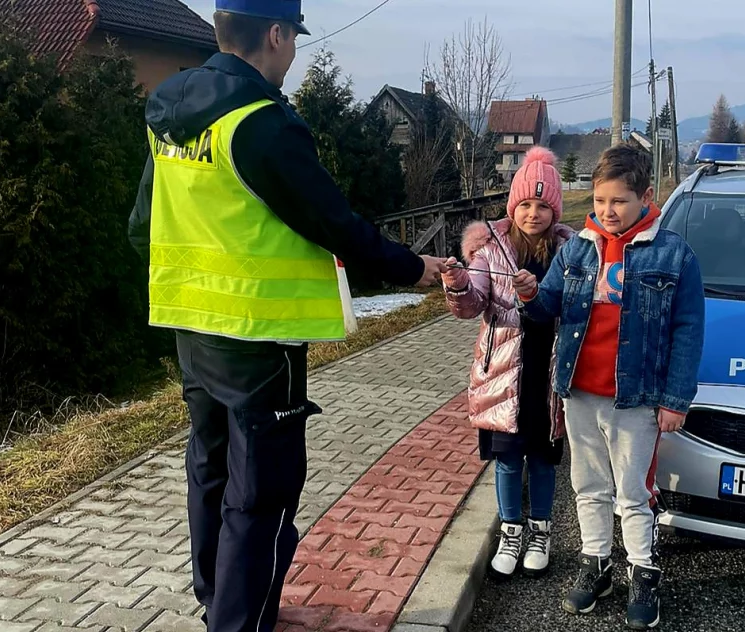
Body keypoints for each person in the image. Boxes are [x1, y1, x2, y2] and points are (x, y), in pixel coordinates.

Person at [126, 2, 447, 630]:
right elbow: (333, 222)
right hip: (260, 341)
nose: (294, 53)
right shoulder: (262, 123)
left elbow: (144, 225)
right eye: (293, 38)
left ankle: (218, 602)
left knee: (209, 468)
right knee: (261, 495)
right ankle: (239, 621)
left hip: (191, 325)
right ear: (275, 34)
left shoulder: (168, 113)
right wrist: (413, 269)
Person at [512, 145, 704, 629]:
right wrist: (530, 293)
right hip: (579, 391)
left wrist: (675, 400)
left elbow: (688, 329)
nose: (606, 212)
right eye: (599, 202)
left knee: (633, 491)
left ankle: (644, 571)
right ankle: (596, 563)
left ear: (646, 196)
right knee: (588, 486)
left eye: (618, 201)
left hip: (636, 397)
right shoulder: (577, 247)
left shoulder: (674, 253)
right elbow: (548, 306)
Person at [441, 148, 574, 579]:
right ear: (511, 206)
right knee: (507, 459)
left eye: (542, 205)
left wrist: (542, 294)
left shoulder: (568, 251)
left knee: (542, 457)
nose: (533, 213)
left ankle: (541, 532)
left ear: (554, 210)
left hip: (548, 372)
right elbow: (473, 303)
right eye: (525, 204)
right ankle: (511, 531)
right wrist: (459, 284)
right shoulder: (490, 249)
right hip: (502, 372)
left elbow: (576, 306)